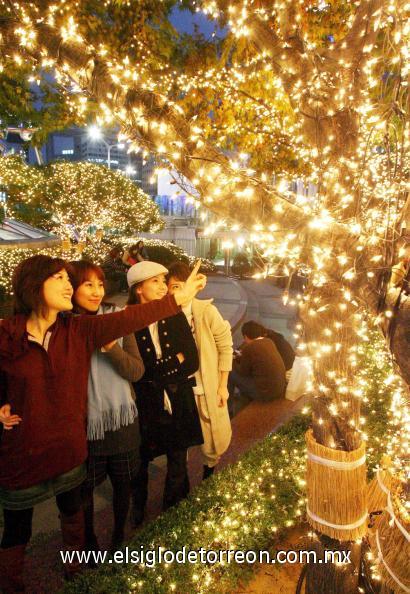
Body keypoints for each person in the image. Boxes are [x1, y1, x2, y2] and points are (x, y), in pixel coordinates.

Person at [0, 255, 205, 592]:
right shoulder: (7, 334)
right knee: (17, 529)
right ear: (33, 286)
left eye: (70, 278)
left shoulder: (79, 331)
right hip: (23, 454)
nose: (69, 285)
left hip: (68, 449)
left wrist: (176, 300)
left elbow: (129, 318)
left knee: (73, 517)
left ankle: (76, 573)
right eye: (60, 279)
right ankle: (11, 585)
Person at [70, 260, 144, 554]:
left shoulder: (117, 319)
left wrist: (111, 348)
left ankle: (118, 537)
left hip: (122, 421)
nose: (97, 291)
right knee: (84, 490)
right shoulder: (65, 329)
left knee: (123, 486)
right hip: (86, 424)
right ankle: (89, 541)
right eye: (88, 284)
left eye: (100, 284)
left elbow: (136, 371)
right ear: (71, 288)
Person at [127, 261, 203, 527]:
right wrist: (172, 362)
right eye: (155, 282)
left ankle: (174, 511)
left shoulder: (174, 313)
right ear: (138, 289)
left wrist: (156, 368)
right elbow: (136, 370)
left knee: (178, 457)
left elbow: (192, 360)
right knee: (140, 461)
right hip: (145, 400)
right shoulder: (128, 318)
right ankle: (138, 510)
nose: (163, 287)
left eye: (164, 280)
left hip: (176, 396)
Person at [167, 262, 233, 479]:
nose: (178, 291)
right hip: (178, 392)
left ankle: (209, 478)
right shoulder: (163, 315)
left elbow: (225, 346)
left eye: (181, 285)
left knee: (211, 444)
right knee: (178, 449)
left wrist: (223, 386)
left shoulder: (206, 311)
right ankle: (181, 494)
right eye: (174, 287)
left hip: (205, 389)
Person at [228, 320, 286, 416]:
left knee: (230, 373)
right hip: (279, 389)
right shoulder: (269, 341)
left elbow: (242, 372)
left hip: (265, 393)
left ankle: (228, 408)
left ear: (246, 336)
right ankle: (243, 398)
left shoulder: (249, 347)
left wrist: (232, 360)